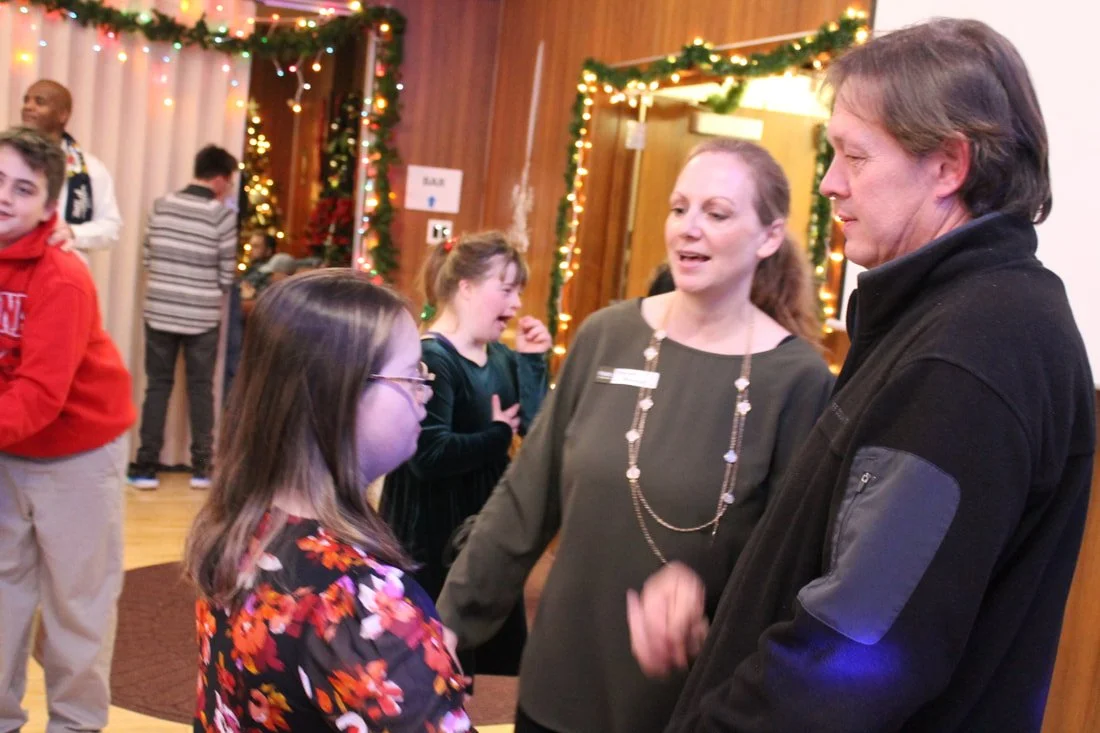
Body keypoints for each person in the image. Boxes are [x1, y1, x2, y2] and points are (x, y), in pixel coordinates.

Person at [629, 19, 1096, 733]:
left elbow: (857, 656)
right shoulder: (957, 312)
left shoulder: (970, 351)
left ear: (947, 165)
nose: (830, 183)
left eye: (854, 156)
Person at [437, 140, 835, 733]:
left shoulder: (797, 378)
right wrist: (445, 626)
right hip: (557, 685)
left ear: (769, 237)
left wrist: (706, 609)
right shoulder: (607, 334)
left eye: (717, 213)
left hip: (686, 703)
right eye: (680, 208)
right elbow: (523, 503)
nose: (689, 228)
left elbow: (788, 568)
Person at [183, 269, 471, 732]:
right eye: (411, 374)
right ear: (336, 396)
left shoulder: (243, 528)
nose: (426, 391)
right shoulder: (357, 604)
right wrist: (412, 659)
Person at [0, 127, 135, 732]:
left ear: (49, 207)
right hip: (8, 448)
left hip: (77, 454)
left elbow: (39, 397)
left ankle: (75, 726)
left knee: (76, 608)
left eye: (23, 189)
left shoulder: (61, 275)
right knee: (3, 598)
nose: (5, 197)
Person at [380, 231, 550, 677]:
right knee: (427, 662)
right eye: (507, 289)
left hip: (479, 526)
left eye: (519, 292)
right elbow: (427, 455)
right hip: (433, 530)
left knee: (473, 658)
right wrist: (496, 436)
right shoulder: (433, 357)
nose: (515, 305)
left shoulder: (501, 358)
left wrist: (533, 362)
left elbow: (536, 427)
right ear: (466, 287)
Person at [127, 145, 239, 491]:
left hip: (159, 310)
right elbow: (226, 277)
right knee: (201, 388)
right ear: (219, 180)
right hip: (202, 316)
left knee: (157, 386)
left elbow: (148, 258)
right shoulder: (221, 217)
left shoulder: (161, 206)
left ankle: (145, 468)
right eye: (230, 182)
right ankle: (203, 469)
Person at [21, 79, 122, 255]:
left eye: (39, 101)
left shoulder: (91, 169)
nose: (28, 106)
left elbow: (111, 228)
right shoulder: (7, 159)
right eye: (26, 100)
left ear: (63, 115)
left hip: (61, 269)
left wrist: (74, 232)